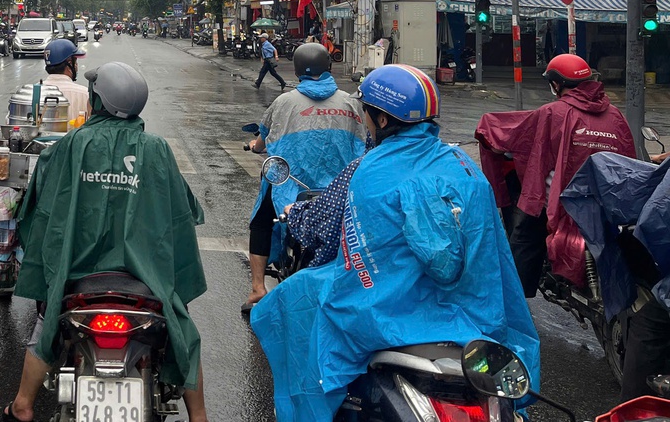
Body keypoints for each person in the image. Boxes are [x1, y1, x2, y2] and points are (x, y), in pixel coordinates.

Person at [249, 64, 542, 422]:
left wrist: (296, 214)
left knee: (283, 308)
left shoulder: (366, 169)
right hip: (475, 316)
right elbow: (488, 253)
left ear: (383, 120)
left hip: (380, 310)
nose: (365, 122)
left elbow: (325, 231)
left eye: (368, 114)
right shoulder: (465, 167)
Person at [4, 62, 209, 422]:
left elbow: (38, 202)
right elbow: (184, 209)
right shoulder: (157, 149)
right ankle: (200, 416)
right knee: (180, 323)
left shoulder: (72, 144)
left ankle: (23, 404)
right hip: (145, 276)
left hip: (78, 271)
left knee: (48, 319)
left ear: (98, 102)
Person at [477, 53, 635, 296]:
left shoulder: (553, 112)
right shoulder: (615, 114)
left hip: (563, 202)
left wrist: (489, 130)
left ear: (556, 83)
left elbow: (519, 134)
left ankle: (514, 299)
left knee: (525, 236)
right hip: (607, 202)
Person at [244, 43, 364, 312]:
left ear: (297, 70)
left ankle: (257, 289)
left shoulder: (283, 102)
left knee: (261, 222)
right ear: (329, 66)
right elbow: (361, 143)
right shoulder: (350, 102)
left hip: (291, 186)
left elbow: (264, 139)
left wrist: (255, 146)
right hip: (337, 190)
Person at [41, 38, 90, 124]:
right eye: (76, 62)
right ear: (70, 64)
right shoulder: (85, 94)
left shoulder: (32, 93)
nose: (76, 66)